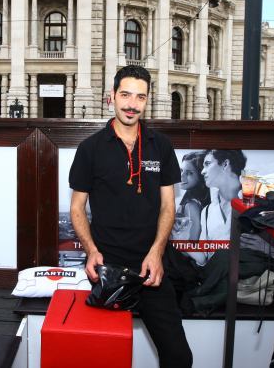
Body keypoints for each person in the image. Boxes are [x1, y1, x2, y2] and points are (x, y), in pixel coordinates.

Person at [69, 65, 192, 368]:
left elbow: (168, 206)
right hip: (107, 267)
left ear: (147, 100)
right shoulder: (90, 148)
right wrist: (91, 251)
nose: (132, 104)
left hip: (150, 267)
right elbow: (77, 208)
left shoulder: (161, 145)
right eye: (125, 95)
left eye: (140, 97)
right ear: (111, 96)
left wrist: (156, 253)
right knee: (102, 357)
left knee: (179, 357)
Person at [196, 149, 247, 266]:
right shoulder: (207, 211)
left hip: (248, 273)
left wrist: (267, 247)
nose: (202, 171)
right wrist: (181, 239)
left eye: (207, 164)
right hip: (216, 273)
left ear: (225, 164)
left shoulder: (252, 202)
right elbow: (203, 258)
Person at [171, 151, 210, 244]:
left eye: (189, 173)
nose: (181, 176)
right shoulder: (191, 202)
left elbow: (192, 243)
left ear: (201, 176)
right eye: (181, 171)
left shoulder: (192, 206)